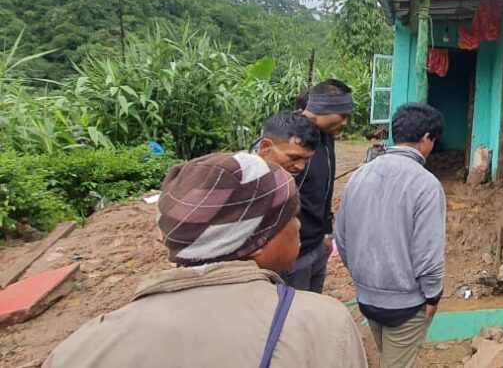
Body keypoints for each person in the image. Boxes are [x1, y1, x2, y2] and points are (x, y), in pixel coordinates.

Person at [43, 152, 367, 367]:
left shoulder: (81, 348)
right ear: (255, 239)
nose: (299, 226)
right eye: (292, 216)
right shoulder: (321, 325)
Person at [336, 102, 446, 368]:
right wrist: (433, 294)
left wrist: (364, 276)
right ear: (427, 138)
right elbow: (427, 253)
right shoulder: (426, 184)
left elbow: (342, 237)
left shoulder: (360, 176)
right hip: (405, 304)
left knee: (387, 357)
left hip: (366, 296)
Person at [284, 78, 353, 293]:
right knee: (293, 315)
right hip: (294, 251)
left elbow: (323, 191)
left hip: (316, 246)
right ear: (324, 109)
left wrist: (326, 233)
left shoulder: (326, 137)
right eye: (343, 115)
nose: (345, 123)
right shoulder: (289, 138)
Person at [255, 111, 320, 176]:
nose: (301, 167)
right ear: (265, 147)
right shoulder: (245, 179)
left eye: (306, 159)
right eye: (295, 158)